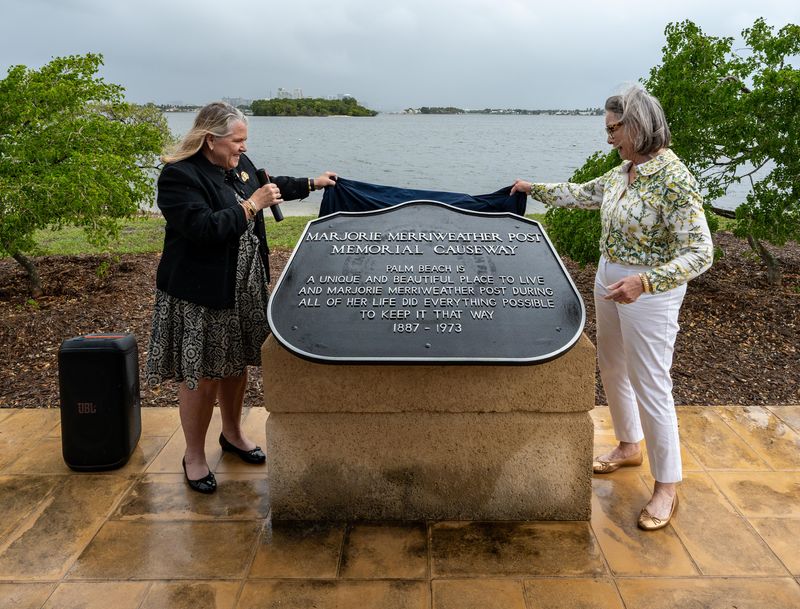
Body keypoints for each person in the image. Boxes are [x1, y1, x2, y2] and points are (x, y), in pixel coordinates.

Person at [511, 85, 713, 530]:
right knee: (612, 368)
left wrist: (644, 281)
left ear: (637, 124)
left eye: (613, 129)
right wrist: (532, 188)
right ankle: (628, 446)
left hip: (649, 293)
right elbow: (582, 193)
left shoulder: (675, 180)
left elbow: (701, 252)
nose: (608, 138)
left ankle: (667, 487)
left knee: (651, 383)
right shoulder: (625, 171)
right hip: (609, 280)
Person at [146, 101, 336, 493]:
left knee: (235, 364)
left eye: (245, 141)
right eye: (237, 141)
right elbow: (203, 228)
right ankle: (194, 456)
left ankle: (232, 434)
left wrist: (313, 183)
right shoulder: (178, 177)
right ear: (210, 139)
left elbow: (269, 185)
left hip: (245, 288)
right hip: (200, 294)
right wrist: (252, 207)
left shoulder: (237, 167)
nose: (243, 148)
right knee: (200, 376)